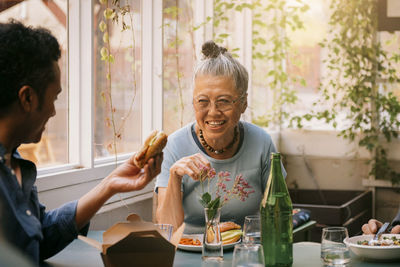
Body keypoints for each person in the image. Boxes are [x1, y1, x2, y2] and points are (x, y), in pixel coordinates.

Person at [0, 21, 162, 264]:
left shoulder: (16, 164)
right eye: (54, 97)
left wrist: (110, 185)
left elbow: (41, 236)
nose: (54, 111)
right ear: (27, 98)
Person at [155, 40, 285, 233]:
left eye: (223, 101)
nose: (213, 112)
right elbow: (167, 230)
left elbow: (279, 216)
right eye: (203, 101)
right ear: (193, 102)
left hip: (245, 251)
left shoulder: (261, 143)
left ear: (243, 103)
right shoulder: (175, 146)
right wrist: (174, 176)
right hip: (190, 253)